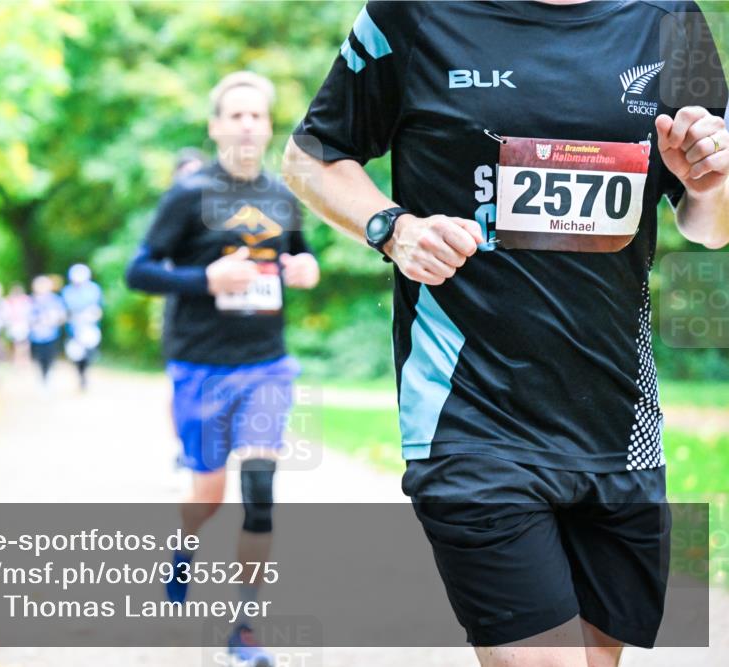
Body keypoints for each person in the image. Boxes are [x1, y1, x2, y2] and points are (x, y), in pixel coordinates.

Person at [282, 1, 728, 665]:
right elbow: (310, 157)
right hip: (470, 415)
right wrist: (393, 228)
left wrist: (710, 182)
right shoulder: (416, 13)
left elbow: (710, 224)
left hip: (618, 427)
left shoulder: (672, 18)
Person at [126, 71, 320, 667]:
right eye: (234, 115)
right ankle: (185, 550)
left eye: (256, 115)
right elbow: (138, 271)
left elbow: (296, 251)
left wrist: (305, 266)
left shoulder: (283, 195)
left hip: (266, 364)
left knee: (259, 491)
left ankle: (245, 627)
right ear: (215, 126)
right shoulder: (187, 195)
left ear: (267, 126)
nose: (245, 125)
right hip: (200, 366)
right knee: (207, 496)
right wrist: (204, 279)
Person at [61, 263, 103, 391]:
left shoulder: (94, 290)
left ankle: (85, 377)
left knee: (88, 354)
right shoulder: (67, 291)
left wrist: (90, 316)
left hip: (89, 328)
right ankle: (80, 377)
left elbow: (98, 309)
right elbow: (64, 311)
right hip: (73, 329)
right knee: (76, 354)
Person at [28, 274, 66, 383]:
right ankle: (42, 378)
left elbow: (62, 316)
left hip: (51, 335)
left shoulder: (55, 300)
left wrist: (53, 320)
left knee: (50, 358)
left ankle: (47, 377)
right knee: (39, 359)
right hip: (36, 336)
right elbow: (27, 317)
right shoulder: (31, 300)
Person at [1, 283, 32, 364]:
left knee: (24, 344)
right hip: (13, 326)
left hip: (23, 326)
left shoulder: (26, 300)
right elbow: (5, 313)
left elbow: (29, 313)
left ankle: (24, 360)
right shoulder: (8, 301)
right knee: (16, 344)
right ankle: (16, 360)